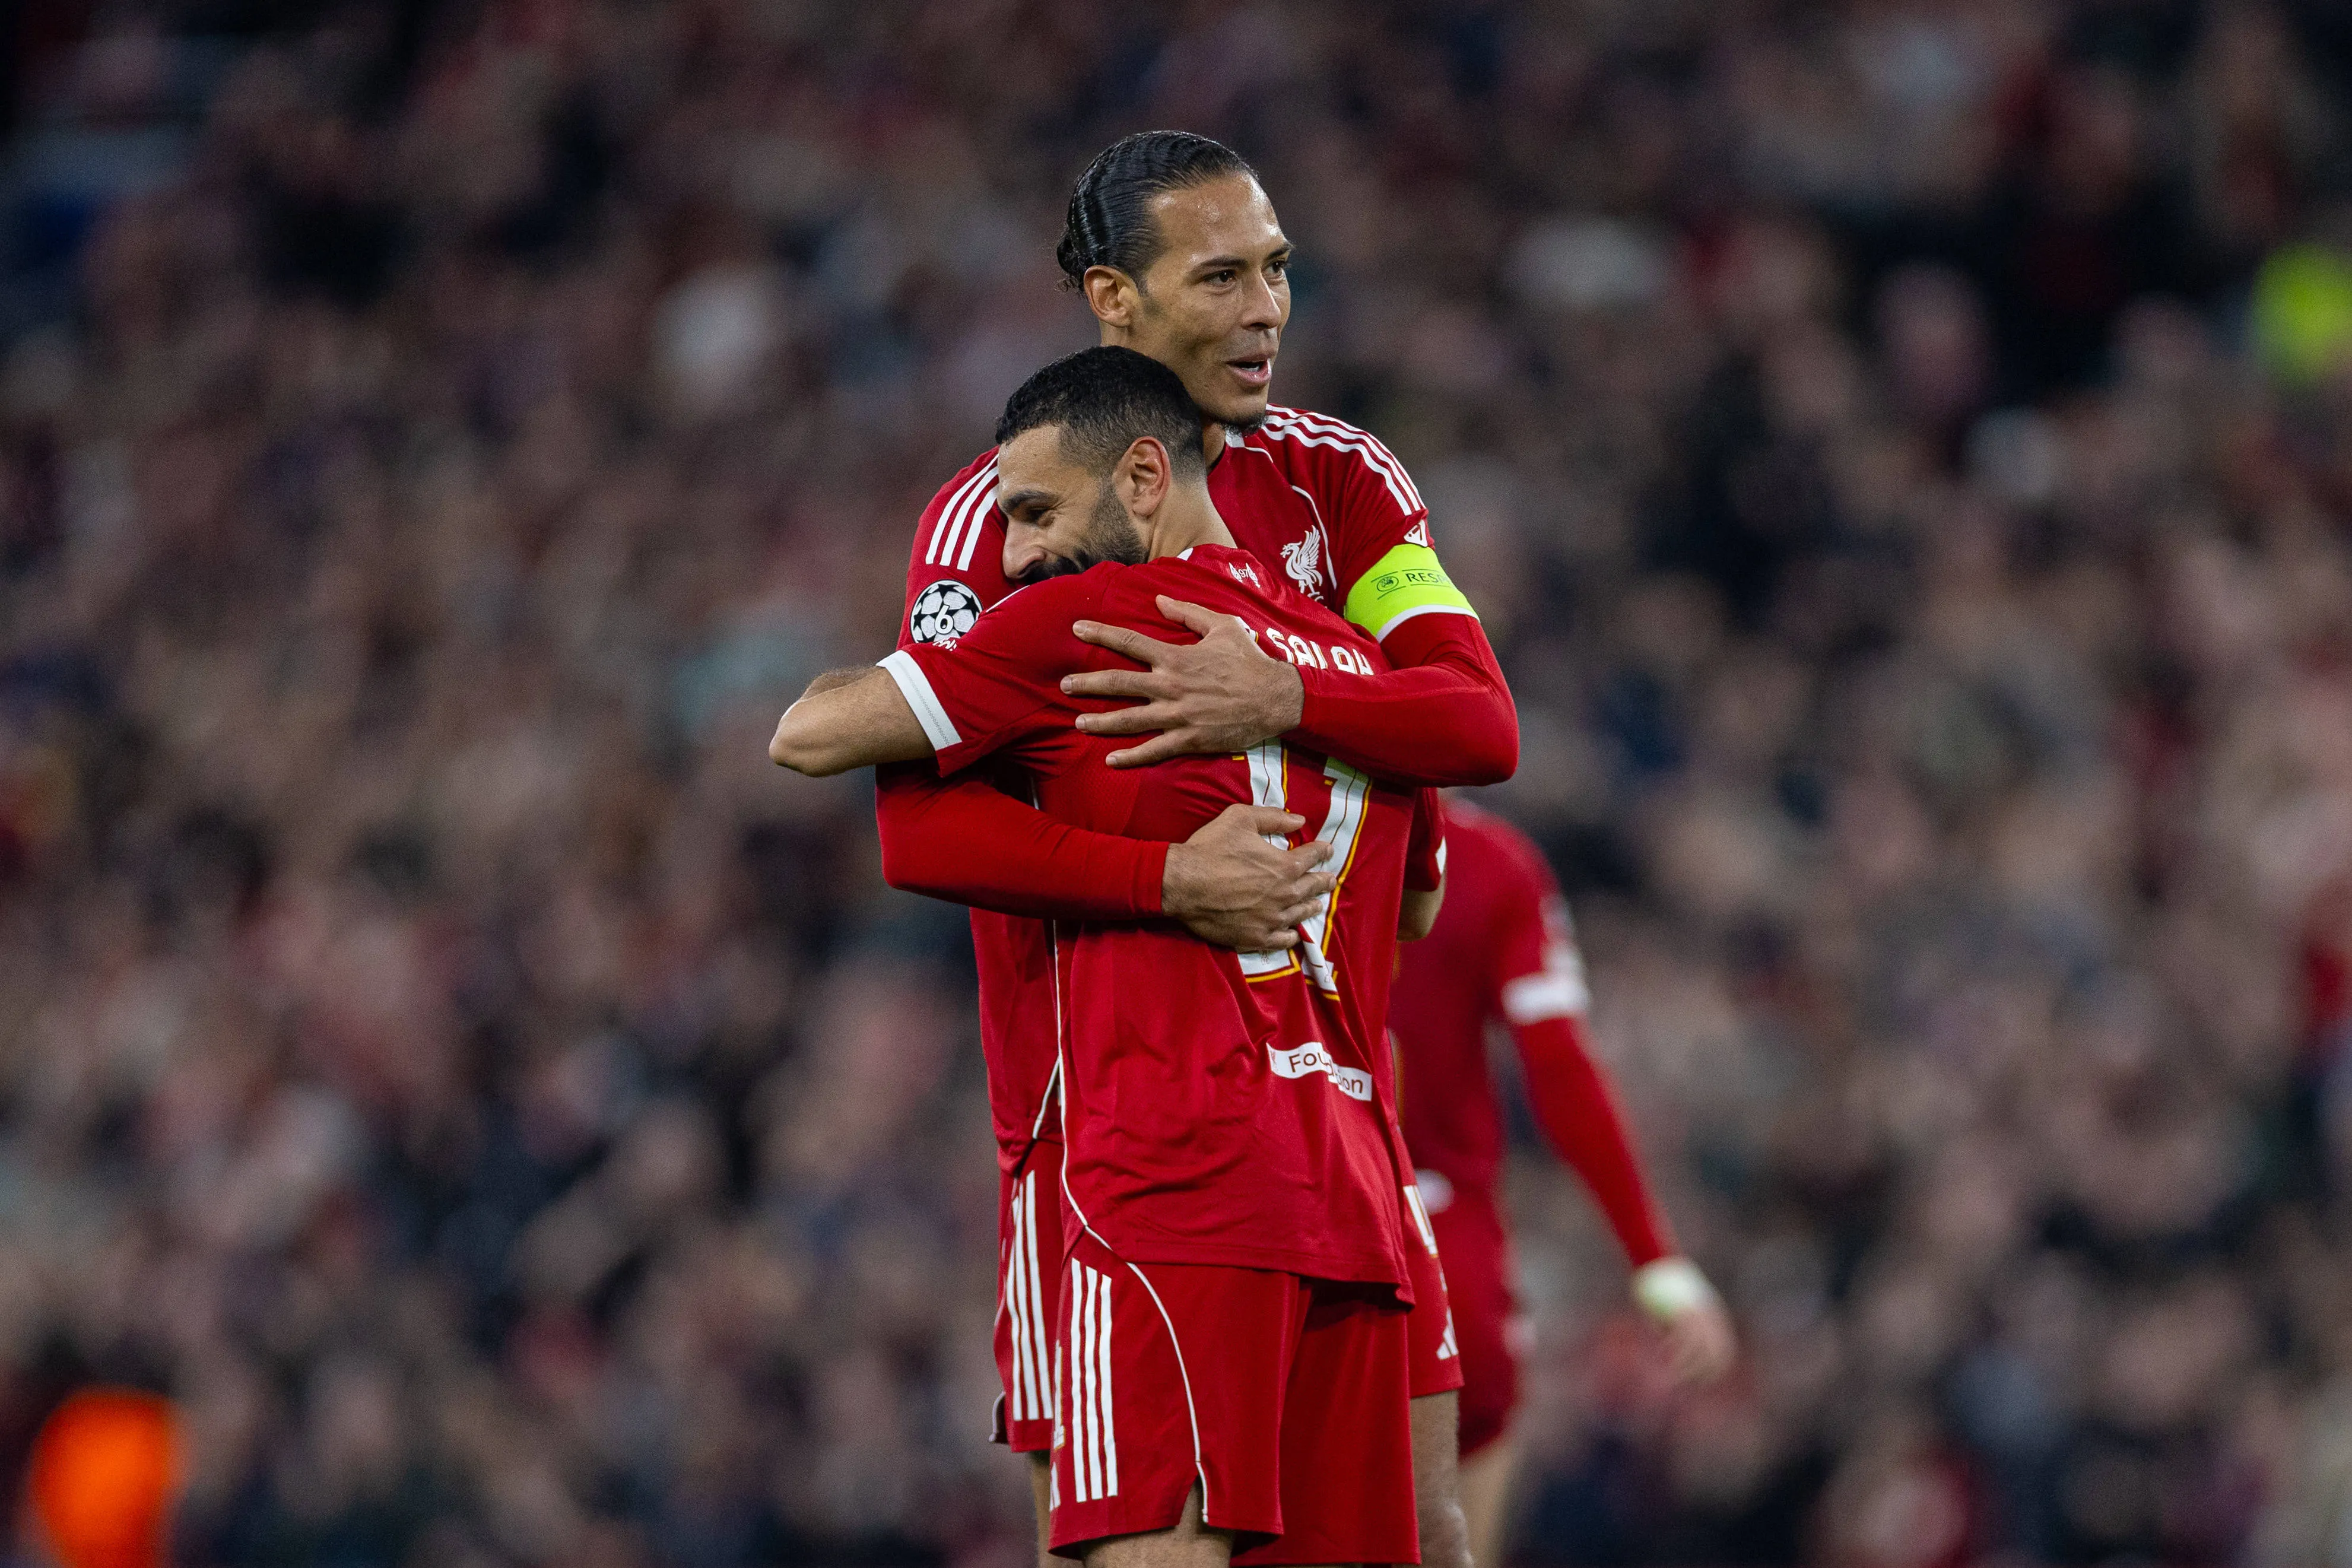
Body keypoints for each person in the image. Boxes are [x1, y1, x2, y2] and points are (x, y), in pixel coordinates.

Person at [878, 132, 1516, 1567]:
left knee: (1426, 1529)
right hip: (1112, 1132)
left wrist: (1286, 692)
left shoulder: (1341, 482)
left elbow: (1476, 720)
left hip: (1339, 1113)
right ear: (1114, 300)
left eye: (1278, 269)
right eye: (1220, 275)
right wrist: (1165, 881)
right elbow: (917, 816)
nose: (1266, 309)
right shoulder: (998, 518)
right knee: (1141, 1539)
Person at [774, 345, 1445, 1568]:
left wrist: (1167, 876)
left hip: (1168, 1183)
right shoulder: (1344, 663)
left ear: (1143, 477)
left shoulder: (1090, 624)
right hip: (1352, 1196)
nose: (1015, 553)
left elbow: (813, 736)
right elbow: (1416, 902)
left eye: (1033, 511)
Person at [1391, 797, 1738, 1567]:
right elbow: (1559, 1065)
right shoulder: (1488, 861)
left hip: (1271, 1239)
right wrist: (1657, 1261)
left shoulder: (1243, 828)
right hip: (1443, 1263)